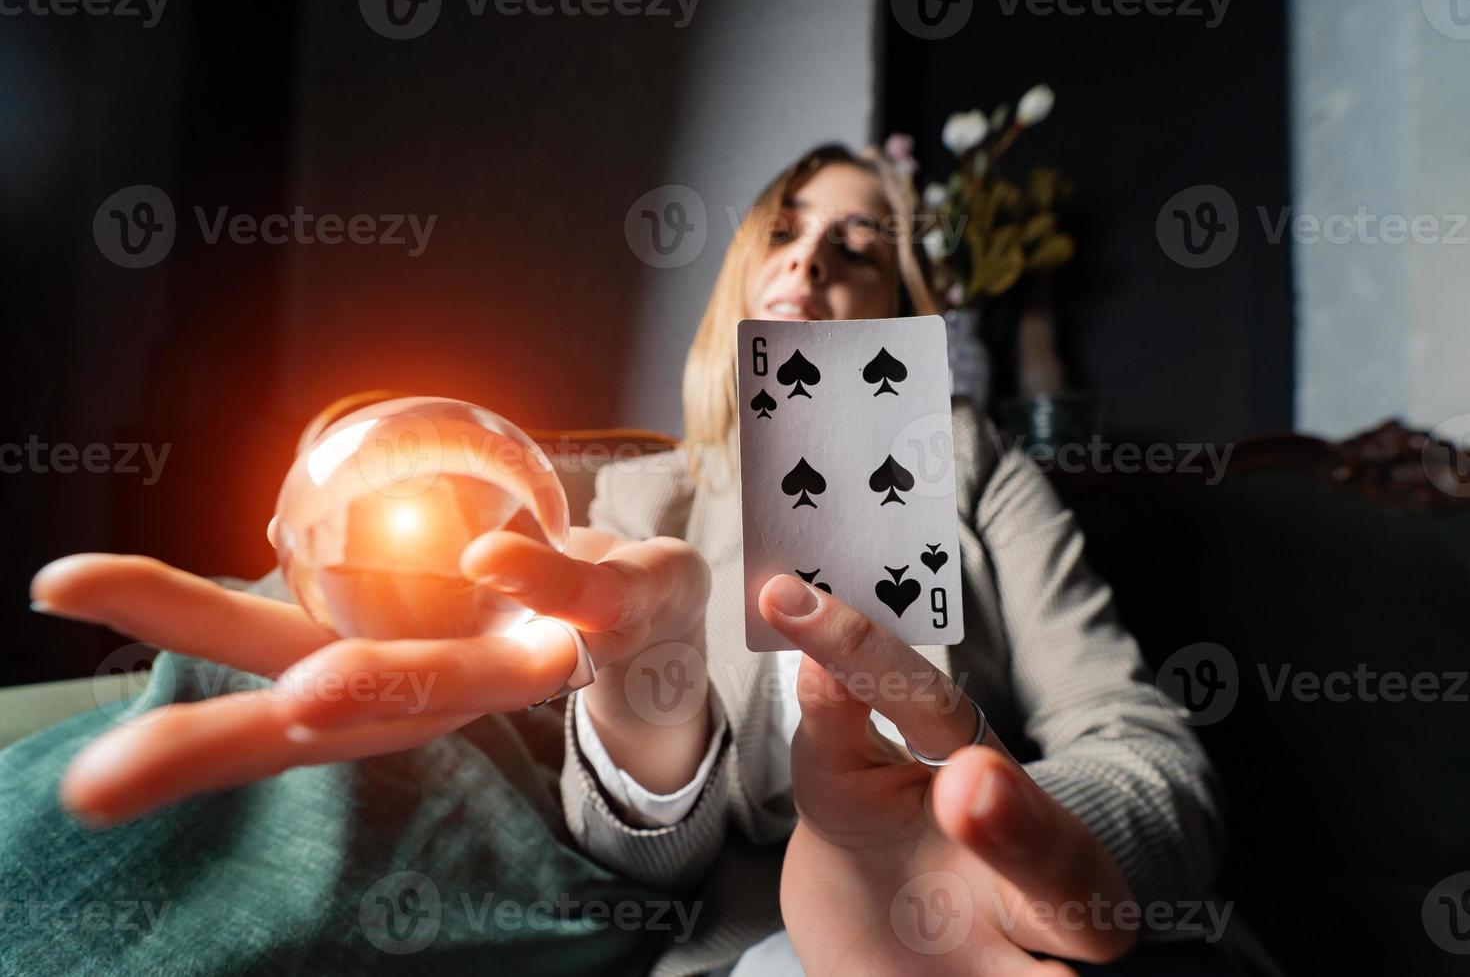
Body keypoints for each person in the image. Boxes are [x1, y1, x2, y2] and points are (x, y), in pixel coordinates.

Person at [19, 145, 1223, 975]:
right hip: (727, 933)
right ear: (742, 283)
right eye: (785, 235)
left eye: (857, 247)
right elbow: (606, 817)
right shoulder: (623, 494)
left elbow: (1142, 741)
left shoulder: (979, 468)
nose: (810, 262)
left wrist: (1007, 828)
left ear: (905, 306)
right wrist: (641, 715)